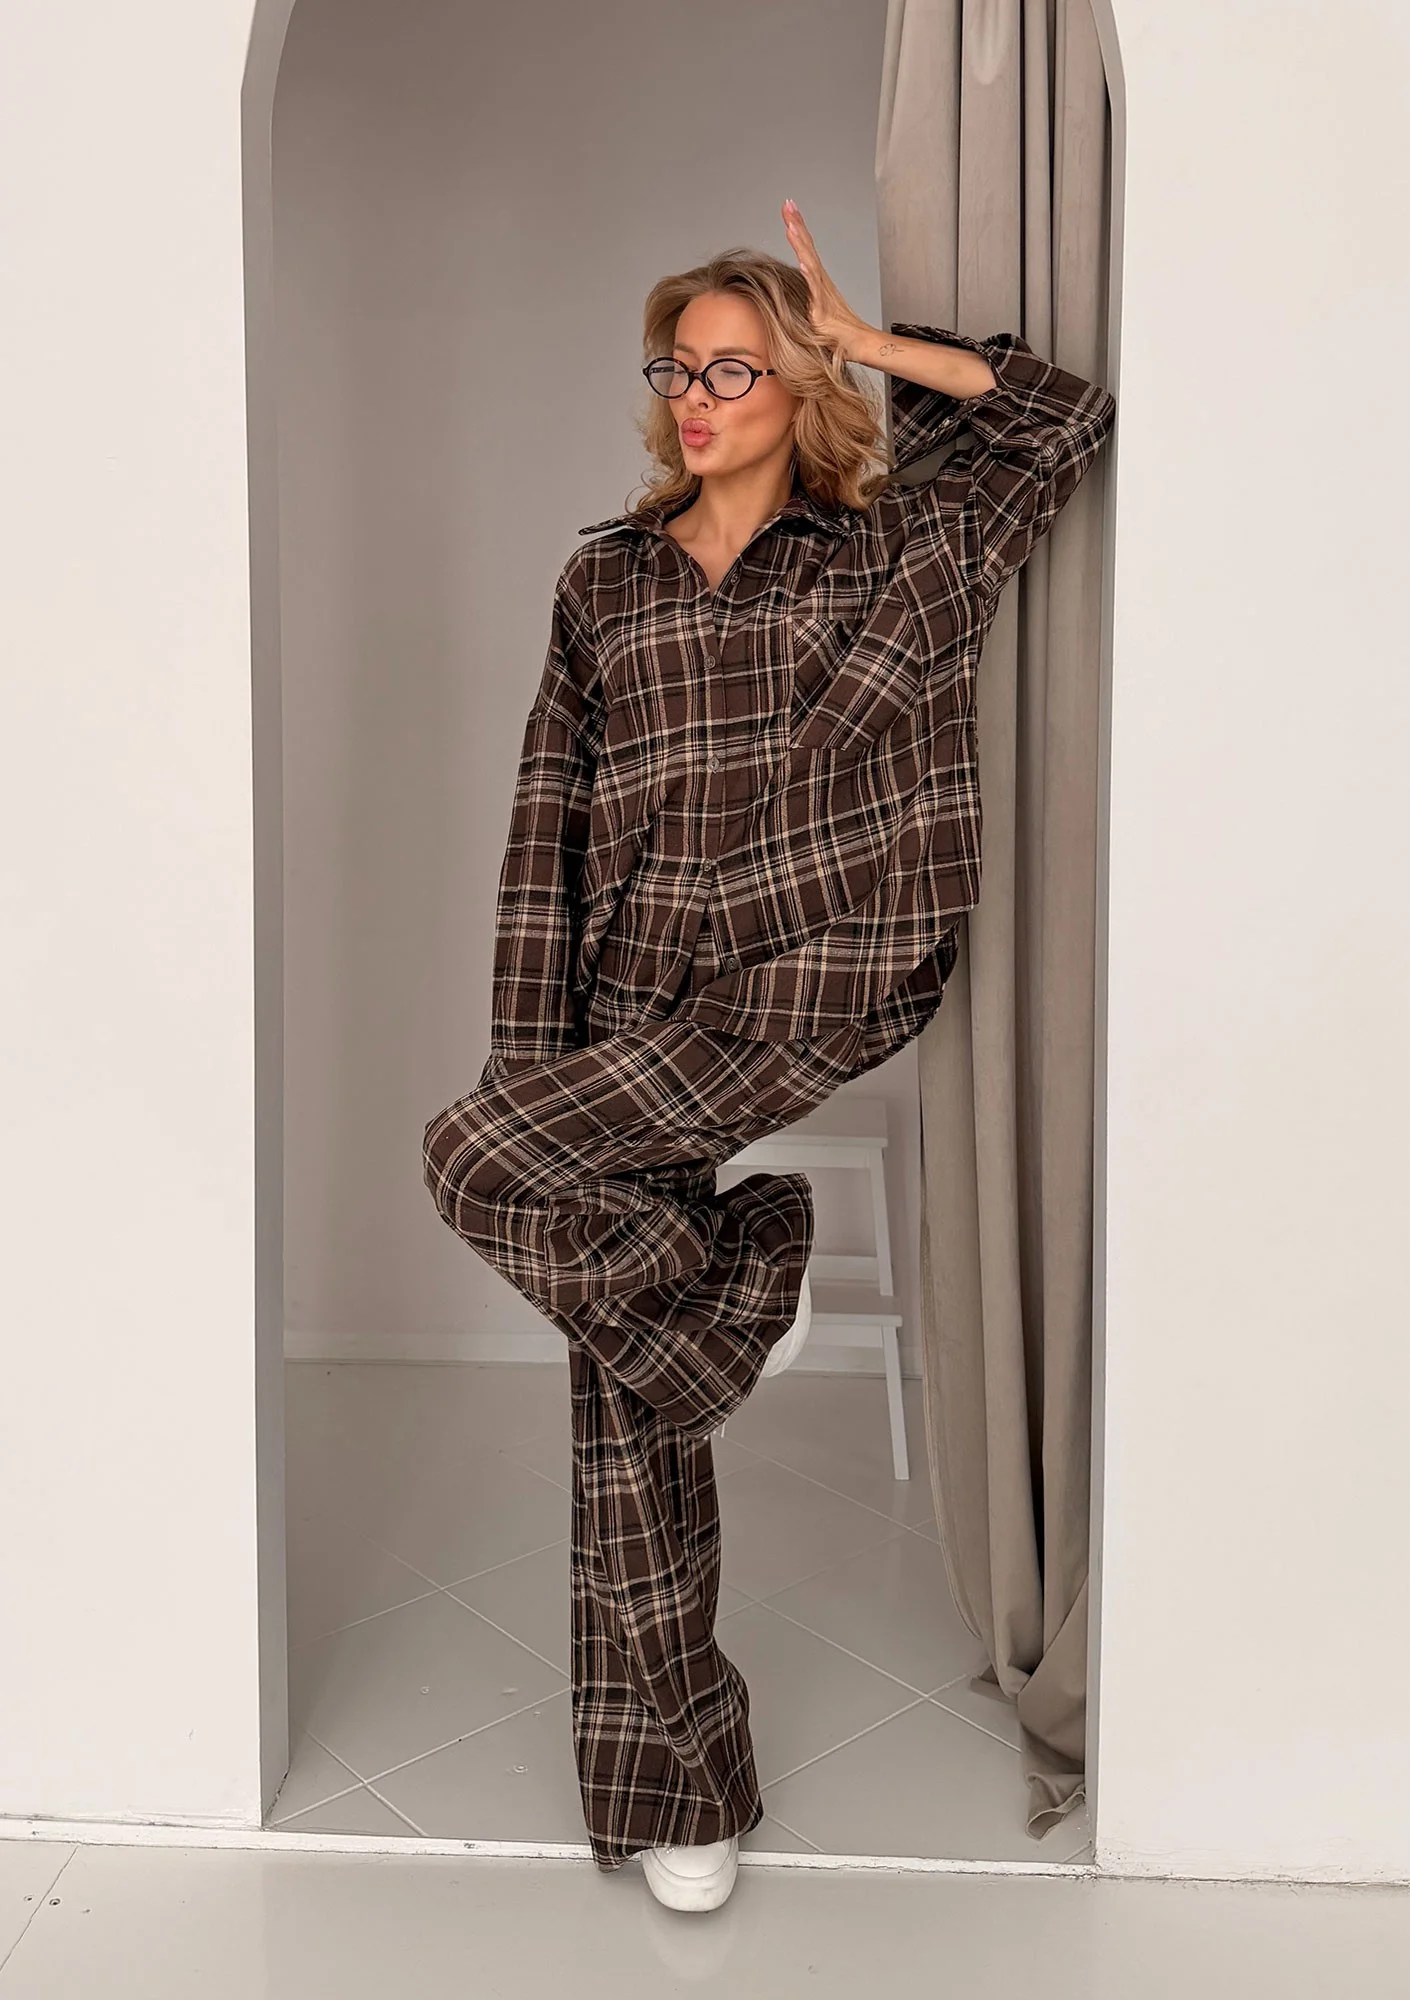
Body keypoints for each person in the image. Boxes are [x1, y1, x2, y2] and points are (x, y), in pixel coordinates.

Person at [421, 198, 1116, 1911]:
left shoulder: (903, 542)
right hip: (636, 984)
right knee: (616, 1397)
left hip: (827, 965)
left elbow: (1061, 421)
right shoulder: (604, 576)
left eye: (733, 368)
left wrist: (872, 342)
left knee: (466, 1161)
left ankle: (747, 1267)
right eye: (677, 368)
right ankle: (681, 1790)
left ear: (798, 384)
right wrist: (531, 1053)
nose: (695, 397)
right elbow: (547, 824)